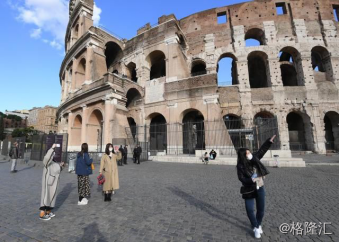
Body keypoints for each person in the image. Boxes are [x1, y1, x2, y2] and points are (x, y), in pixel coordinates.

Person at [236, 135, 276, 239]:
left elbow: (262, 150)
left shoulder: (255, 158)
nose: (250, 154)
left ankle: (257, 225)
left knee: (261, 209)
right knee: (249, 210)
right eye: (247, 153)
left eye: (249, 152)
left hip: (260, 186)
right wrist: (251, 180)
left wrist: (269, 141)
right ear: (243, 156)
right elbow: (241, 178)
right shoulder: (240, 166)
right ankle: (256, 227)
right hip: (248, 188)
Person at [39, 144, 65, 220]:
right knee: (45, 197)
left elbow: (57, 170)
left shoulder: (53, 163)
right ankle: (42, 213)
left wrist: (61, 166)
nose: (53, 155)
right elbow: (47, 158)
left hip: (53, 183)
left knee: (51, 197)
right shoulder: (46, 163)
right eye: (52, 154)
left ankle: (48, 212)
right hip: (48, 183)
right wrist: (52, 148)